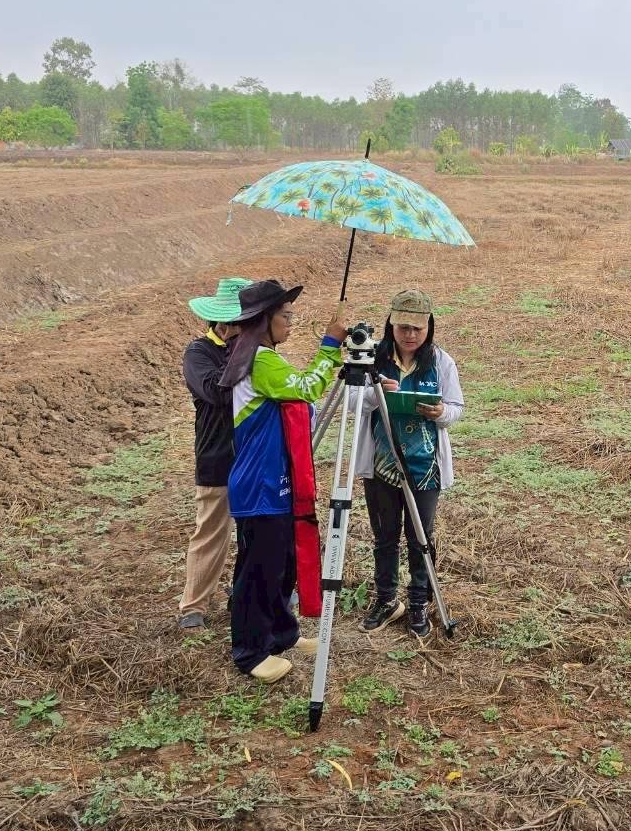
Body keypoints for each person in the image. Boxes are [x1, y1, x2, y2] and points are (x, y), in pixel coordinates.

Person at [219, 279, 346, 683]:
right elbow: (308, 388)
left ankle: (281, 635)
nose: (291, 322)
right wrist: (331, 344)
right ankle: (250, 650)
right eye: (285, 316)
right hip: (261, 485)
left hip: (276, 480)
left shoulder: (258, 357)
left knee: (281, 564)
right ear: (264, 321)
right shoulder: (260, 361)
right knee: (260, 568)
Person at [354, 289, 464, 639]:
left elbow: (456, 407)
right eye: (403, 327)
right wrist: (376, 393)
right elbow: (352, 401)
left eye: (418, 328)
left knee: (421, 537)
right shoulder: (373, 359)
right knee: (384, 537)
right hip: (382, 464)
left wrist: (441, 412)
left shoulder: (441, 362)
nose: (411, 335)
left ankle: (419, 602)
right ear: (391, 324)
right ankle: (386, 600)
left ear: (429, 327)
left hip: (424, 466)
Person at [178, 277, 251, 634]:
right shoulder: (198, 353)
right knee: (211, 532)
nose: (240, 327)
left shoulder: (256, 350)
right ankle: (193, 606)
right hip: (217, 457)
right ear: (220, 320)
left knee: (257, 530)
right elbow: (215, 392)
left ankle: (251, 594)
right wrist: (246, 351)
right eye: (238, 320)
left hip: (253, 456)